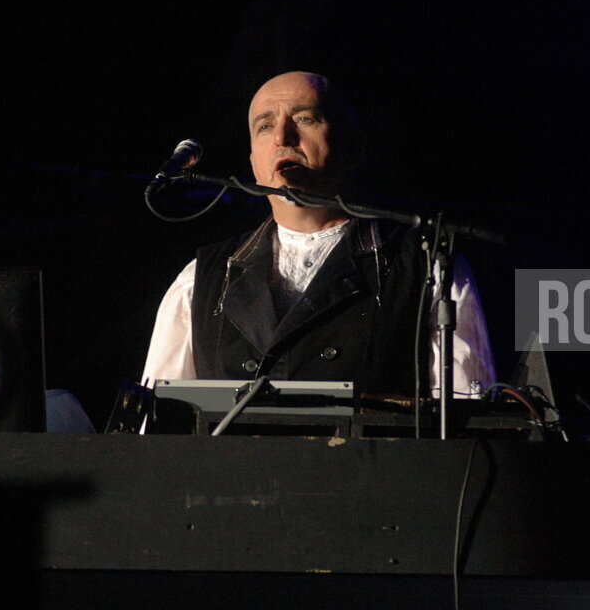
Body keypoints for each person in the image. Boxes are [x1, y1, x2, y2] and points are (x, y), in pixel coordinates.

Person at [141, 71, 494, 396]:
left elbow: (466, 417)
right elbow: (157, 423)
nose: (282, 137)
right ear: (253, 162)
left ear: (353, 146)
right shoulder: (201, 280)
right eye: (265, 126)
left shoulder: (426, 264)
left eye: (305, 119)